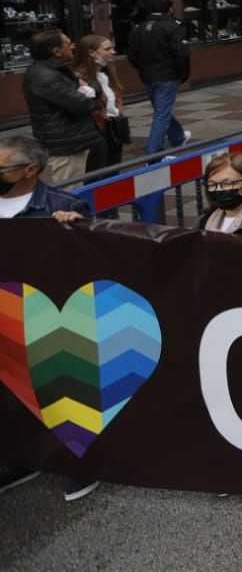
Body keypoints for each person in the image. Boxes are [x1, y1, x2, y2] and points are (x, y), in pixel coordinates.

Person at [0, 134, 99, 503]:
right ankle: (22, 459)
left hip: (45, 314)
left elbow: (92, 261)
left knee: (60, 389)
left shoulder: (62, 205)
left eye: (2, 168)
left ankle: (81, 464)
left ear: (30, 169)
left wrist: (74, 232)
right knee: (10, 393)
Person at [22, 30, 101, 184]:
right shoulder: (45, 76)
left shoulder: (56, 70)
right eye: (68, 44)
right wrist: (88, 90)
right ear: (57, 51)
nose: (73, 46)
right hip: (66, 145)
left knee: (84, 187)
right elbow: (83, 104)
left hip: (73, 139)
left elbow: (91, 91)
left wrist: (88, 89)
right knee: (71, 191)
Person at [126, 0, 191, 155]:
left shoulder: (139, 28)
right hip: (167, 75)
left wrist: (142, 67)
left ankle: (177, 137)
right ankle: (154, 152)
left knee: (161, 110)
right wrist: (183, 75)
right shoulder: (173, 27)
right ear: (170, 9)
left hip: (147, 76)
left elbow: (132, 54)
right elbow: (181, 54)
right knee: (161, 113)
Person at [72, 34, 127, 173]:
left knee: (113, 169)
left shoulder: (106, 73)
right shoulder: (79, 77)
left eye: (112, 48)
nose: (113, 52)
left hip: (113, 126)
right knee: (97, 171)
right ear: (91, 52)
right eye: (107, 49)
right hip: (97, 129)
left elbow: (116, 98)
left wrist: (119, 111)